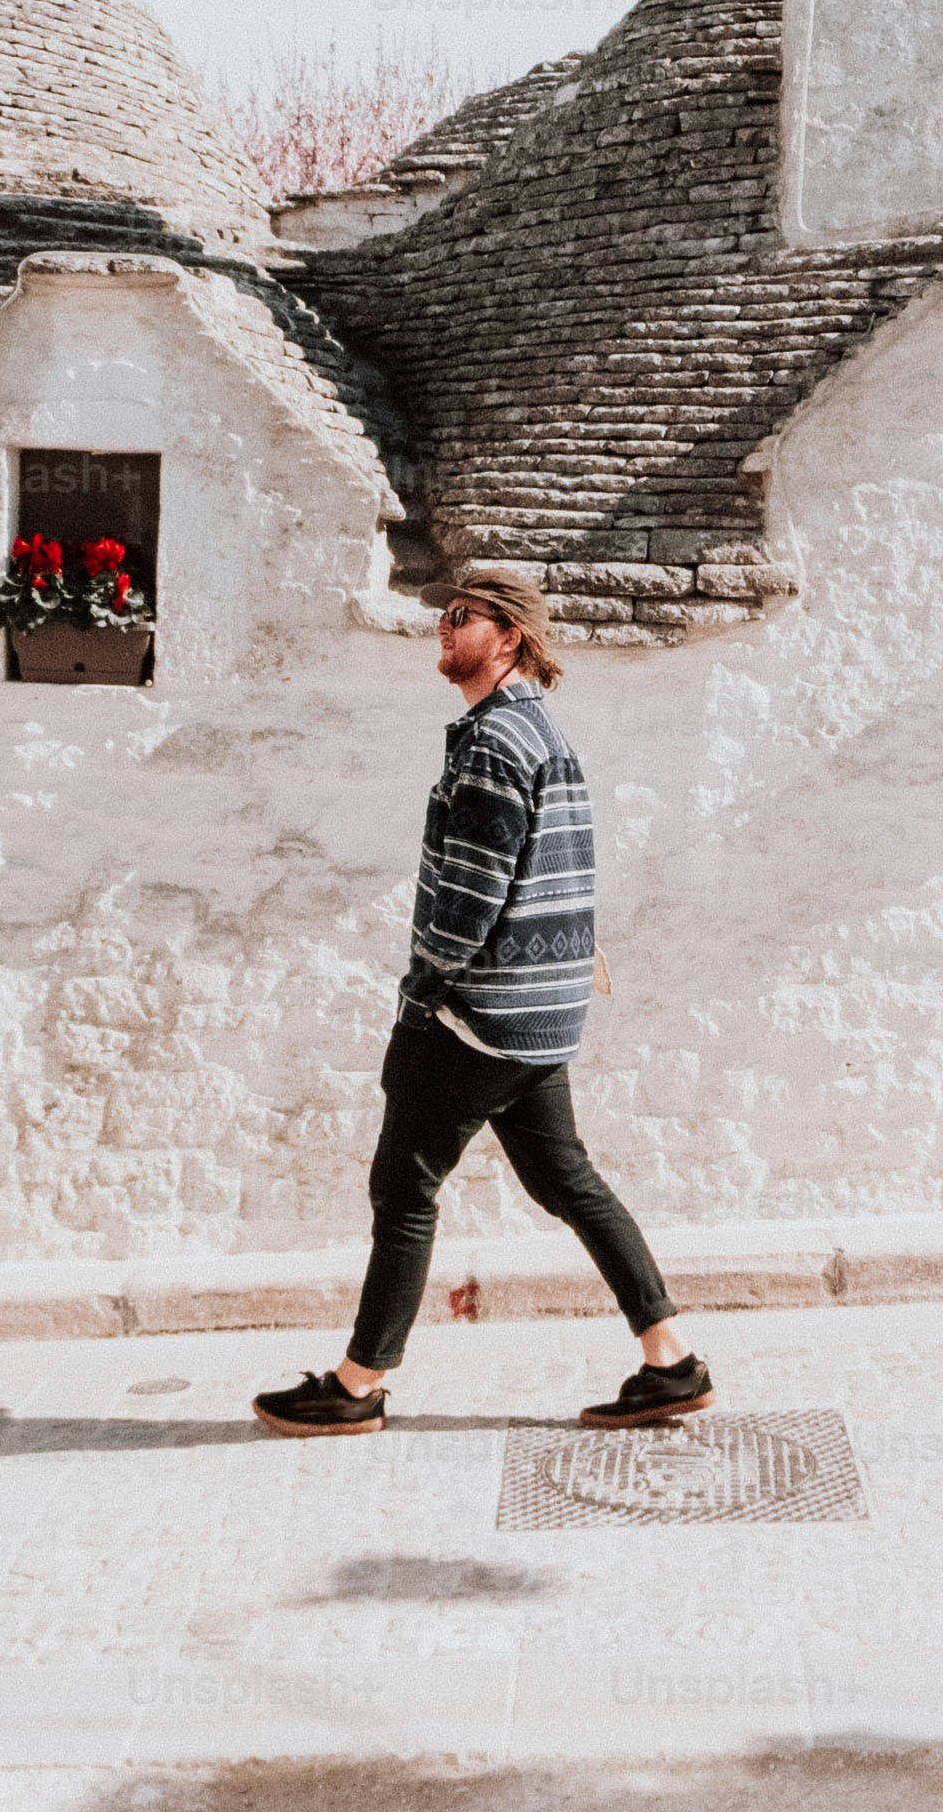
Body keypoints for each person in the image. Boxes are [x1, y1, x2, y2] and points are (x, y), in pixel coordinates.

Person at [254, 575, 709, 1437]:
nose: (443, 625)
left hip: (479, 1017)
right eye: (445, 613)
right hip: (538, 1013)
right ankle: (671, 1358)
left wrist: (421, 992)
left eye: (461, 616)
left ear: (508, 638)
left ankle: (356, 1382)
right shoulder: (540, 731)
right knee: (564, 1179)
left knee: (405, 1187)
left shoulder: (495, 742)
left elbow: (469, 895)